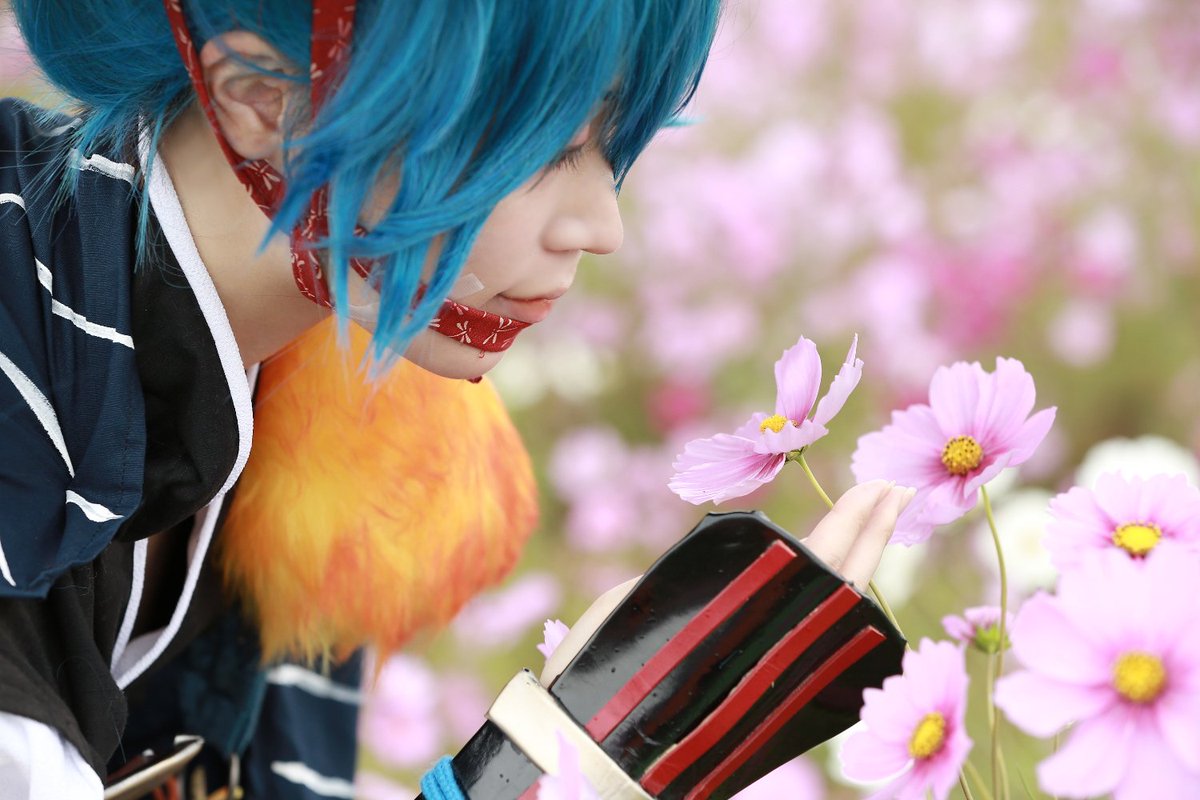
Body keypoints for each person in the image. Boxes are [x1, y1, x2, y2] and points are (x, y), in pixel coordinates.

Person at [0, 1, 911, 798]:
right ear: (262, 98)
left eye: (612, 144)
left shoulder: (324, 431)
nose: (602, 226)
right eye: (548, 145)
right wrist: (575, 761)